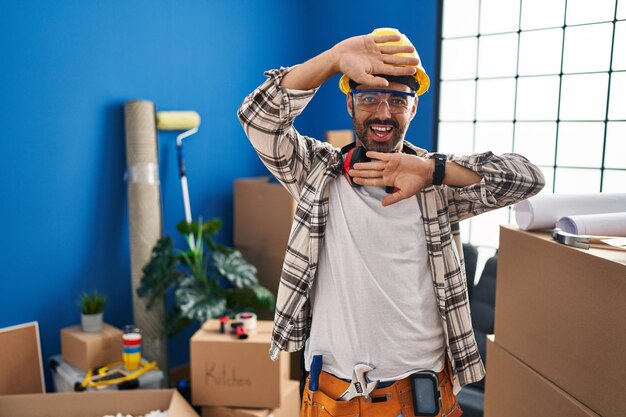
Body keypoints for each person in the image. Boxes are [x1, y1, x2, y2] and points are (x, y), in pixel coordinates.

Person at [238, 27, 544, 417]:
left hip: (421, 400)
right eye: (368, 97)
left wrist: (432, 170)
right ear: (350, 105)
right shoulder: (316, 174)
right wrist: (333, 57)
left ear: (413, 108)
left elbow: (527, 178)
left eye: (397, 100)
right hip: (331, 400)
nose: (383, 113)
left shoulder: (439, 187)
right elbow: (257, 118)